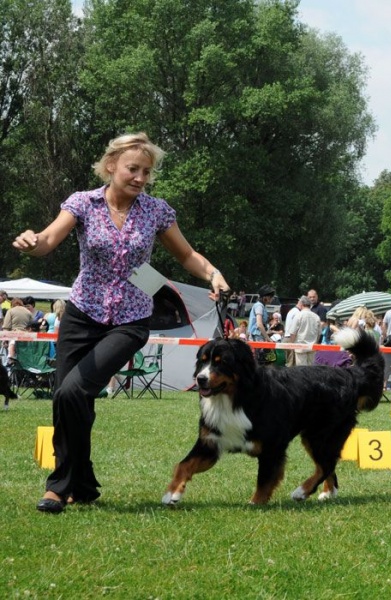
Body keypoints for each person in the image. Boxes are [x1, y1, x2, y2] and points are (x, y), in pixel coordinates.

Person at [13, 132, 229, 513]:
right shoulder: (83, 203)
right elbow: (48, 240)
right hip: (81, 314)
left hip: (130, 320)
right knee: (70, 401)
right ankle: (80, 483)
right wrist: (34, 242)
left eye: (147, 171)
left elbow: (187, 254)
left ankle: (57, 487)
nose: (141, 177)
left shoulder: (156, 211)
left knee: (70, 392)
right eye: (133, 169)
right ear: (111, 165)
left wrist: (211, 273)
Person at [286, 296, 320, 366]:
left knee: (301, 370)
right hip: (312, 347)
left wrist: (292, 344)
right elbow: (319, 333)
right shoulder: (316, 317)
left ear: (301, 304)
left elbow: (293, 333)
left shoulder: (298, 316)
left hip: (300, 347)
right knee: (311, 369)